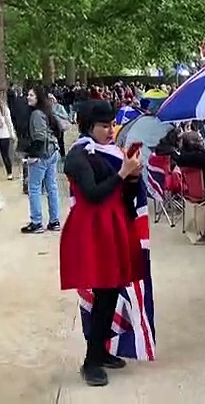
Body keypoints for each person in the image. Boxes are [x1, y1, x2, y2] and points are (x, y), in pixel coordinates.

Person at [59, 100, 144, 386]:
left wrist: (132, 178)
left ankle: (99, 352)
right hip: (93, 230)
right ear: (89, 126)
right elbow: (93, 194)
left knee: (111, 291)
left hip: (113, 226)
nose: (110, 131)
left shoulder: (111, 151)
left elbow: (123, 195)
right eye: (104, 126)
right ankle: (91, 361)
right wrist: (122, 173)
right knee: (104, 293)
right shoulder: (78, 154)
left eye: (112, 125)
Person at [21, 86, 62, 234]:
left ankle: (36, 222)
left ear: (38, 97)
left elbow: (39, 137)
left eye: (31, 95)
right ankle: (54, 221)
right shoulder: (47, 111)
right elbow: (58, 130)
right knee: (52, 187)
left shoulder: (36, 114)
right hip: (52, 152)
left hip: (41, 155)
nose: (28, 97)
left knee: (34, 188)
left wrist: (32, 155)